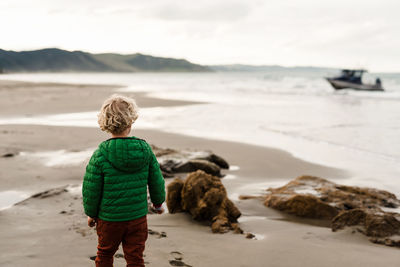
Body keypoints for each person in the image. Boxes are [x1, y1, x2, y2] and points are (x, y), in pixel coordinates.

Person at [82, 94, 165, 267]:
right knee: (135, 257)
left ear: (105, 122)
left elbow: (91, 189)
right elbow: (157, 181)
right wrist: (158, 204)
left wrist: (91, 213)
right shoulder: (145, 150)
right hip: (137, 218)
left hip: (109, 219)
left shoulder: (100, 154)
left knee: (104, 253)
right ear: (131, 121)